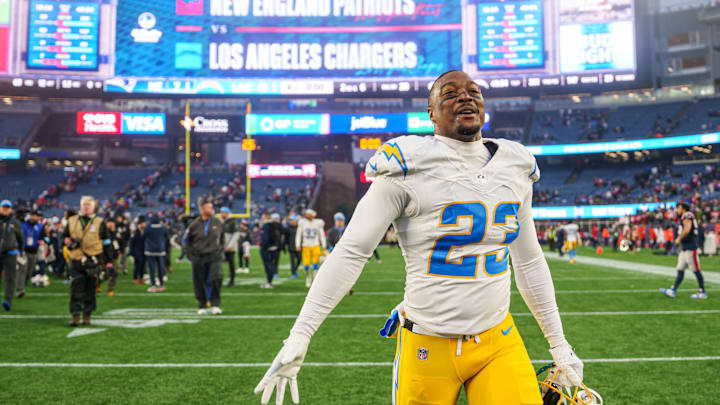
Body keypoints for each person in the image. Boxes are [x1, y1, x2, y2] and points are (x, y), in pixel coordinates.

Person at [254, 70, 584, 405]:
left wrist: (559, 344)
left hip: (498, 339)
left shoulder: (515, 165)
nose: (465, 97)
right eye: (450, 93)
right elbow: (351, 251)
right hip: (428, 344)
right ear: (431, 113)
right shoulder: (407, 166)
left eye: (473, 91)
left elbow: (528, 260)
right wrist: (301, 333)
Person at [63, 196, 113, 326]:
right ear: (80, 205)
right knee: (76, 287)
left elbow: (107, 242)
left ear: (93, 207)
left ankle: (87, 316)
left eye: (88, 205)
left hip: (93, 260)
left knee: (90, 289)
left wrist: (109, 260)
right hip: (75, 259)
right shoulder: (71, 220)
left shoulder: (100, 222)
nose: (86, 207)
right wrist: (66, 241)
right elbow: (63, 236)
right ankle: (75, 316)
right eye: (84, 204)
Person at [660, 203, 707, 299]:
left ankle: (702, 292)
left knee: (696, 270)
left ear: (684, 209)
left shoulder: (687, 215)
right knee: (680, 268)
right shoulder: (684, 216)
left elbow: (687, 229)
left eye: (679, 208)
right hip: (685, 248)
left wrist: (679, 239)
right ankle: (673, 290)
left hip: (690, 248)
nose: (677, 210)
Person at [185, 199, 224, 315]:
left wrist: (220, 250)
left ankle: (215, 304)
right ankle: (202, 304)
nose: (212, 210)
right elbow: (188, 242)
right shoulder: (194, 225)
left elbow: (222, 239)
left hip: (214, 255)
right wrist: (191, 256)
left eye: (212, 207)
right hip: (199, 256)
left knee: (216, 277)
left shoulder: (218, 222)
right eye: (209, 207)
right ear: (202, 209)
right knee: (199, 281)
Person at [0, 200, 24, 311]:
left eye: (7, 207)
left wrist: (21, 250)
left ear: (11, 209)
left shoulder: (15, 222)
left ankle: (7, 301)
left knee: (10, 278)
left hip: (10, 254)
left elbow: (20, 238)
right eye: (3, 207)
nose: (5, 209)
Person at [17, 209, 47, 298]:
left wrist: (43, 241)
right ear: (31, 215)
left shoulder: (40, 226)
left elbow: (45, 237)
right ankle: (20, 289)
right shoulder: (22, 224)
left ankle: (23, 284)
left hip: (34, 251)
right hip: (23, 250)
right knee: (22, 269)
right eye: (36, 216)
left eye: (39, 216)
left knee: (29, 272)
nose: (38, 218)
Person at [295, 208, 326, 288]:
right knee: (306, 266)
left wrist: (324, 245)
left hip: (315, 245)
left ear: (312, 215)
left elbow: (321, 234)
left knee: (316, 264)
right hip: (306, 246)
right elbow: (299, 234)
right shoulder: (302, 222)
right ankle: (308, 277)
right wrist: (297, 244)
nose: (307, 215)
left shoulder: (318, 223)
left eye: (308, 214)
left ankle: (315, 280)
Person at [144, 213, 170, 293]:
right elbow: (167, 239)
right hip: (160, 251)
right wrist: (165, 249)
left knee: (152, 269)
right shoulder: (163, 227)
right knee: (160, 268)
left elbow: (144, 236)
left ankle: (154, 285)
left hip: (150, 251)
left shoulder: (147, 227)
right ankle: (162, 285)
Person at [260, 213, 283, 289]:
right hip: (274, 247)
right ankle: (270, 281)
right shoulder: (276, 225)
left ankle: (269, 282)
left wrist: (264, 246)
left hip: (267, 248)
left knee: (268, 265)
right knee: (271, 264)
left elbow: (265, 238)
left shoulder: (267, 225)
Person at [220, 207, 240, 287]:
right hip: (221, 247)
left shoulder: (232, 222)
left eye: (223, 212)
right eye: (221, 212)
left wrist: (230, 246)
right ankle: (219, 279)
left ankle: (232, 280)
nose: (221, 214)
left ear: (227, 213)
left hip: (230, 247)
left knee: (231, 264)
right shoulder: (221, 221)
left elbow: (236, 234)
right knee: (218, 264)